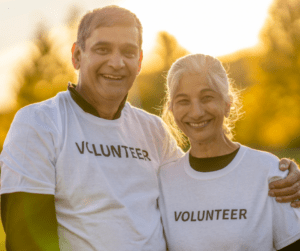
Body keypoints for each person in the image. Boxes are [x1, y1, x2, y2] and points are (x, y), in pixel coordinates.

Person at [0, 5, 299, 251]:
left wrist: (284, 178)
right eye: (103, 49)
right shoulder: (39, 123)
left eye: (128, 52)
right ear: (78, 55)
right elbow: (27, 240)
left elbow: (201, 185)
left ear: (140, 61)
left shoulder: (153, 131)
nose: (116, 63)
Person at [159, 53, 300, 250]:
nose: (197, 112)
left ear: (227, 104)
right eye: (183, 101)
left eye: (207, 97)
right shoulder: (164, 181)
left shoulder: (270, 172)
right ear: (172, 110)